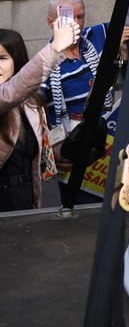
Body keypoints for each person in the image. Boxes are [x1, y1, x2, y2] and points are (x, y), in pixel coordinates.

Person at [40, 0, 129, 206]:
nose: (76, 24)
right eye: (68, 18)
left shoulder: (100, 35)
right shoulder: (42, 67)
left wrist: (122, 52)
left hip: (112, 147)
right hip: (75, 159)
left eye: (80, 17)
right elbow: (37, 125)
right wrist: (50, 155)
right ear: (50, 21)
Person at [1, 21, 78, 211]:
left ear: (16, 61)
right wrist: (54, 48)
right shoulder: (10, 95)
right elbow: (11, 93)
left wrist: (69, 149)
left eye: (2, 58)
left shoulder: (32, 103)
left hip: (26, 204)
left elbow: (43, 152)